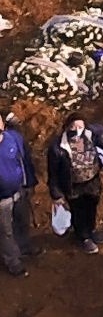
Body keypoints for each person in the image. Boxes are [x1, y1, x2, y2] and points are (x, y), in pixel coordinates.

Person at [46, 113, 103, 253]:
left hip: (92, 181)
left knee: (91, 206)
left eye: (80, 126)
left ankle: (91, 230)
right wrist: (56, 194)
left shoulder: (90, 134)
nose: (76, 129)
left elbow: (101, 135)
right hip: (73, 184)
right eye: (73, 126)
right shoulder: (58, 147)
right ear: (66, 127)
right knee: (78, 211)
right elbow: (53, 173)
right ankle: (83, 237)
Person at [0, 110, 36, 275]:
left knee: (22, 221)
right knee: (5, 231)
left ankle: (24, 246)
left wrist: (29, 183)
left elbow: (25, 160)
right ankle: (12, 260)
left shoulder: (13, 138)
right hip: (1, 200)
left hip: (19, 191)